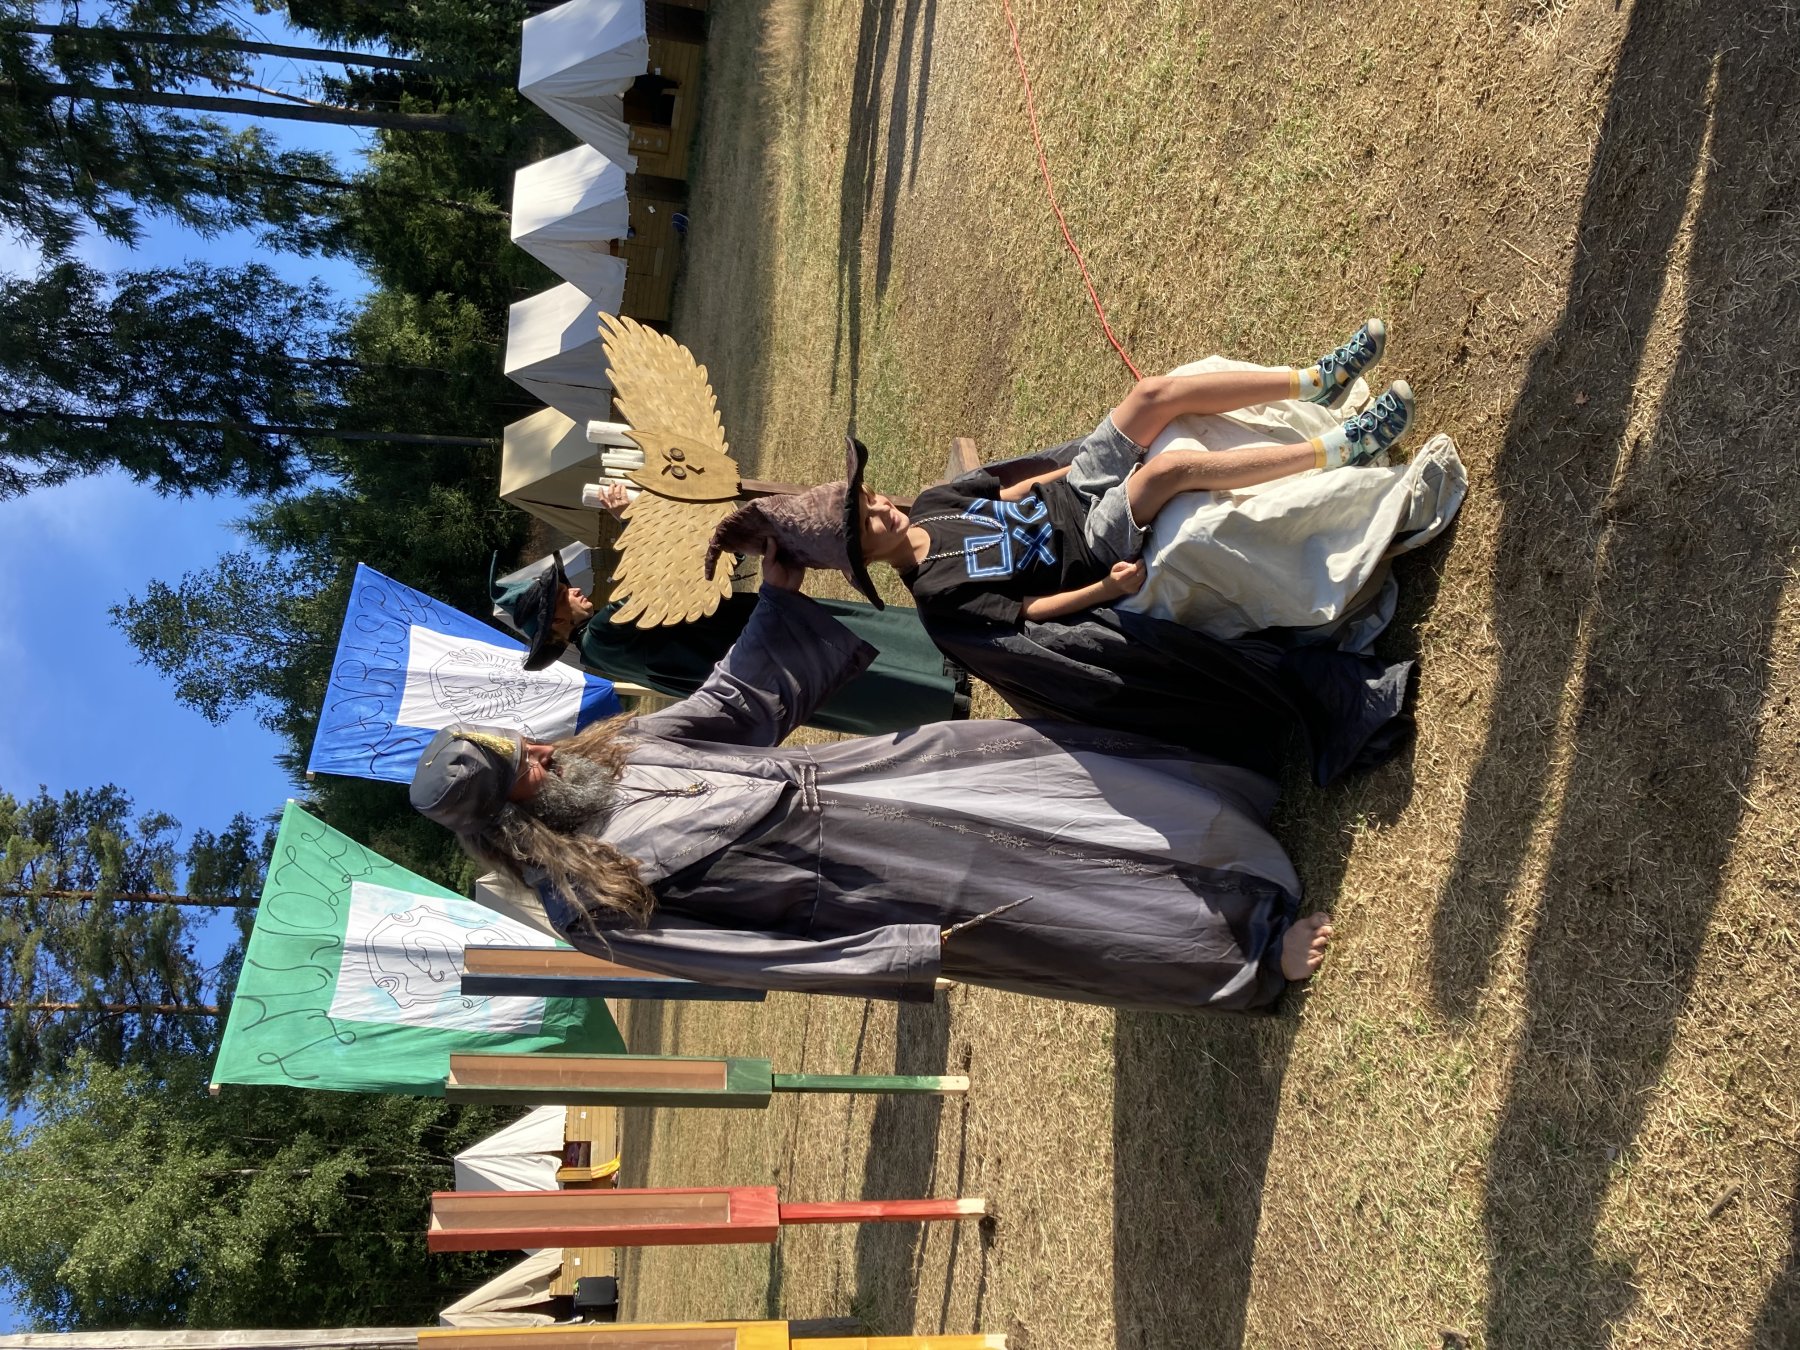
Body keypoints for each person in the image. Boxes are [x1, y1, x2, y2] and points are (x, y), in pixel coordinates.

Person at [408, 558, 1332, 1014]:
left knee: (1049, 778)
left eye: (527, 745)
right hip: (871, 886)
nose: (542, 755)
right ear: (506, 821)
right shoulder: (584, 907)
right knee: (1063, 912)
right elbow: (739, 959)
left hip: (886, 779)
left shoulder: (620, 750)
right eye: (522, 768)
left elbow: (733, 701)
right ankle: (1252, 951)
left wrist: (779, 586)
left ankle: (1231, 802)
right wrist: (883, 956)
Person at [488, 542, 969, 738]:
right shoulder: (607, 631)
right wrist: (638, 516)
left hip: (755, 647)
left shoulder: (599, 645)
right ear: (556, 623)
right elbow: (669, 577)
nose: (572, 588)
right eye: (561, 594)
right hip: (759, 640)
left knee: (846, 674)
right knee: (852, 661)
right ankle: (942, 675)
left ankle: (941, 684)